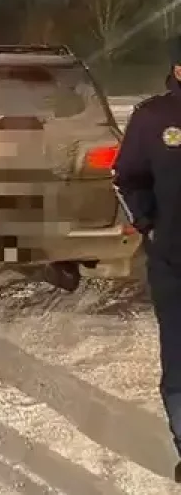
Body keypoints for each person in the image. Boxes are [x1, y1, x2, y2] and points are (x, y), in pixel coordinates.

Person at [112, 36, 181, 482]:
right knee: (180, 361)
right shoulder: (153, 117)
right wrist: (148, 223)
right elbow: (127, 176)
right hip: (174, 262)